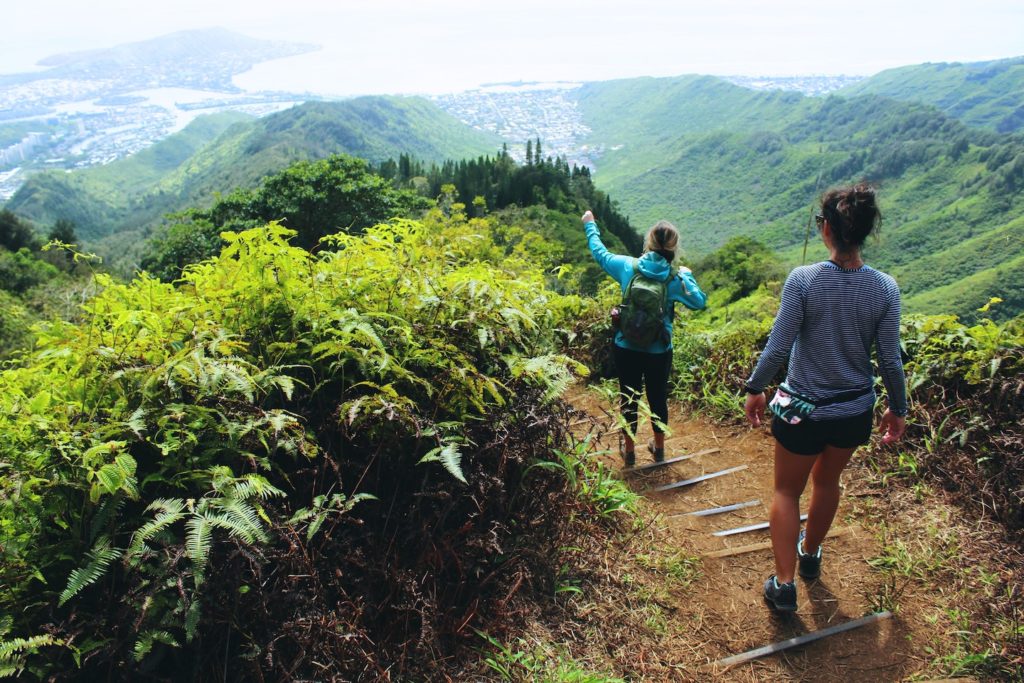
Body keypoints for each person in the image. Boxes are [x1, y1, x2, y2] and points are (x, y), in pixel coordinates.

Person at [743, 184, 907, 613]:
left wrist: (755, 388)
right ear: (866, 231)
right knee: (828, 482)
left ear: (828, 231)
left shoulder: (804, 280)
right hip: (853, 411)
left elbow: (778, 348)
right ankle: (811, 555)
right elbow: (889, 360)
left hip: (802, 413)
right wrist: (898, 408)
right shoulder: (885, 289)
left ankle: (783, 585)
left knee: (785, 491)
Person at [583, 210, 707, 467]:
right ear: (674, 247)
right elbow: (700, 302)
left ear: (648, 242)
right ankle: (658, 447)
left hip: (625, 346)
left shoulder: (627, 267)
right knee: (657, 396)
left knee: (629, 396)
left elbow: (599, 253)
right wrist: (687, 274)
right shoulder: (675, 279)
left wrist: (590, 225)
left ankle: (629, 451)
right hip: (659, 350)